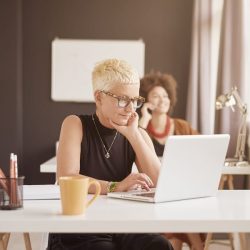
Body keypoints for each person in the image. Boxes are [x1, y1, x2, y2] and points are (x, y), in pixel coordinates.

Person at [48, 59, 173, 250]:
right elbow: (67, 177)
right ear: (99, 98)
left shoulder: (138, 134)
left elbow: (160, 184)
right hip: (80, 223)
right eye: (123, 100)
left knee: (159, 245)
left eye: (135, 101)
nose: (131, 109)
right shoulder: (75, 124)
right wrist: (116, 186)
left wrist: (134, 135)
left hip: (121, 222)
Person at [139, 71, 204, 250]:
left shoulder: (182, 126)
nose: (163, 100)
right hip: (152, 186)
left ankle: (190, 243)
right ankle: (196, 244)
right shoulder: (140, 126)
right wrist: (144, 119)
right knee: (173, 236)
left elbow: (202, 151)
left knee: (182, 202)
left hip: (182, 185)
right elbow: (131, 147)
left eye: (165, 95)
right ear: (146, 100)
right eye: (156, 96)